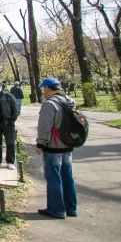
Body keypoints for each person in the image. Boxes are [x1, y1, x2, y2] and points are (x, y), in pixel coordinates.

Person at [36, 77, 78, 219]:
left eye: (44, 88)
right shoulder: (70, 101)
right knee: (67, 177)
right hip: (68, 144)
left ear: (48, 88)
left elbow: (44, 126)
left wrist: (40, 143)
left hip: (54, 146)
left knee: (54, 178)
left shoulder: (49, 104)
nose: (43, 91)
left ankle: (57, 209)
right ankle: (71, 208)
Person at [0, 78, 19, 170]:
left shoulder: (8, 96)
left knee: (10, 143)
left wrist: (11, 120)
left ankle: (10, 161)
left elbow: (16, 110)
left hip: (7, 123)